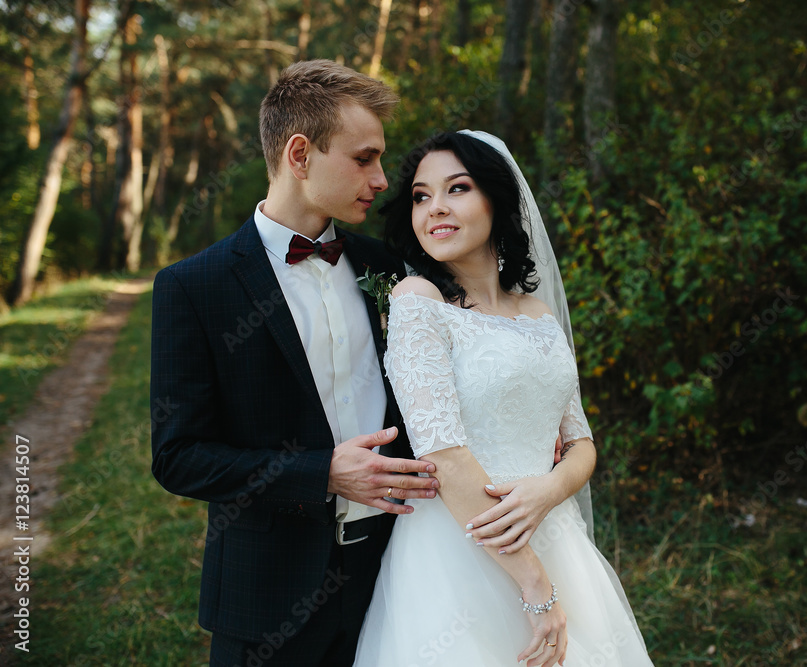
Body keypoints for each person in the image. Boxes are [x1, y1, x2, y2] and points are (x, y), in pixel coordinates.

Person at [149, 60, 444, 666]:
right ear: (300, 153)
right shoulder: (194, 286)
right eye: (364, 159)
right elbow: (178, 457)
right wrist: (321, 474)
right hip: (265, 600)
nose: (383, 178)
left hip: (395, 579)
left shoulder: (386, 269)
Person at [352, 131, 653, 667]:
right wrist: (536, 587)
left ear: (498, 199)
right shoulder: (418, 301)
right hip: (458, 547)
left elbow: (580, 440)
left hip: (555, 536)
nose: (435, 208)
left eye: (457, 189)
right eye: (421, 196)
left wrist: (548, 490)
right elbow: (441, 454)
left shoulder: (537, 313)